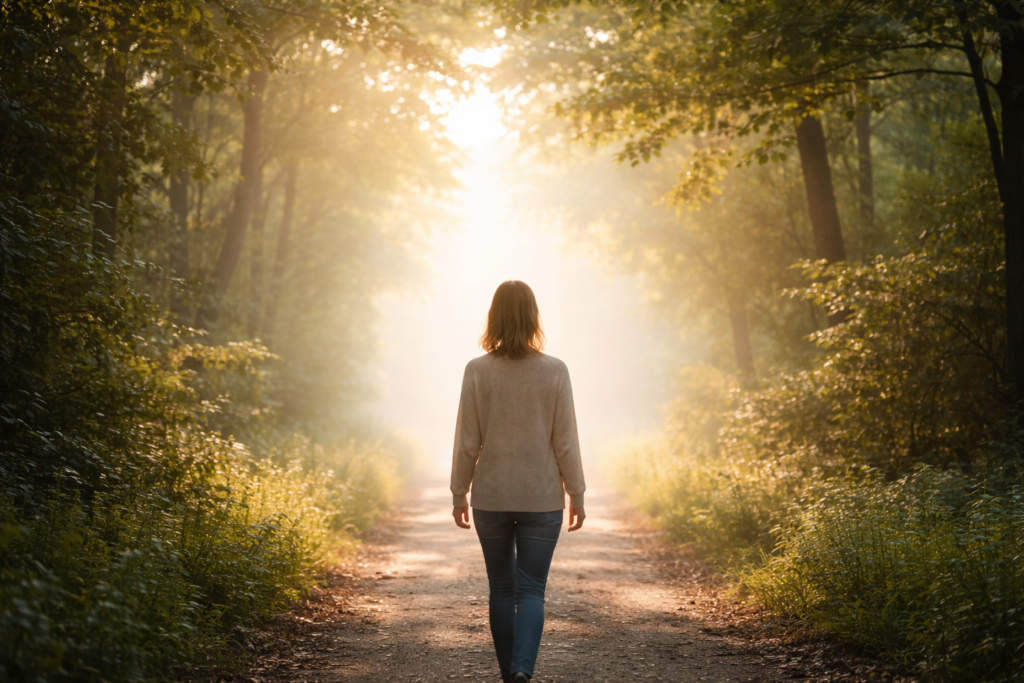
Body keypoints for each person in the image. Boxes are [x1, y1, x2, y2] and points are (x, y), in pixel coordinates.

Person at [450, 280, 587, 683]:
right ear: (533, 317)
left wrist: (459, 492)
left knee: (501, 589)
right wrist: (576, 492)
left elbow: (466, 442)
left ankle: (510, 675)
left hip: (490, 498)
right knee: (531, 590)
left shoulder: (477, 371)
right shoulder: (554, 370)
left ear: (494, 316)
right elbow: (565, 441)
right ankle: (523, 668)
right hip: (542, 499)